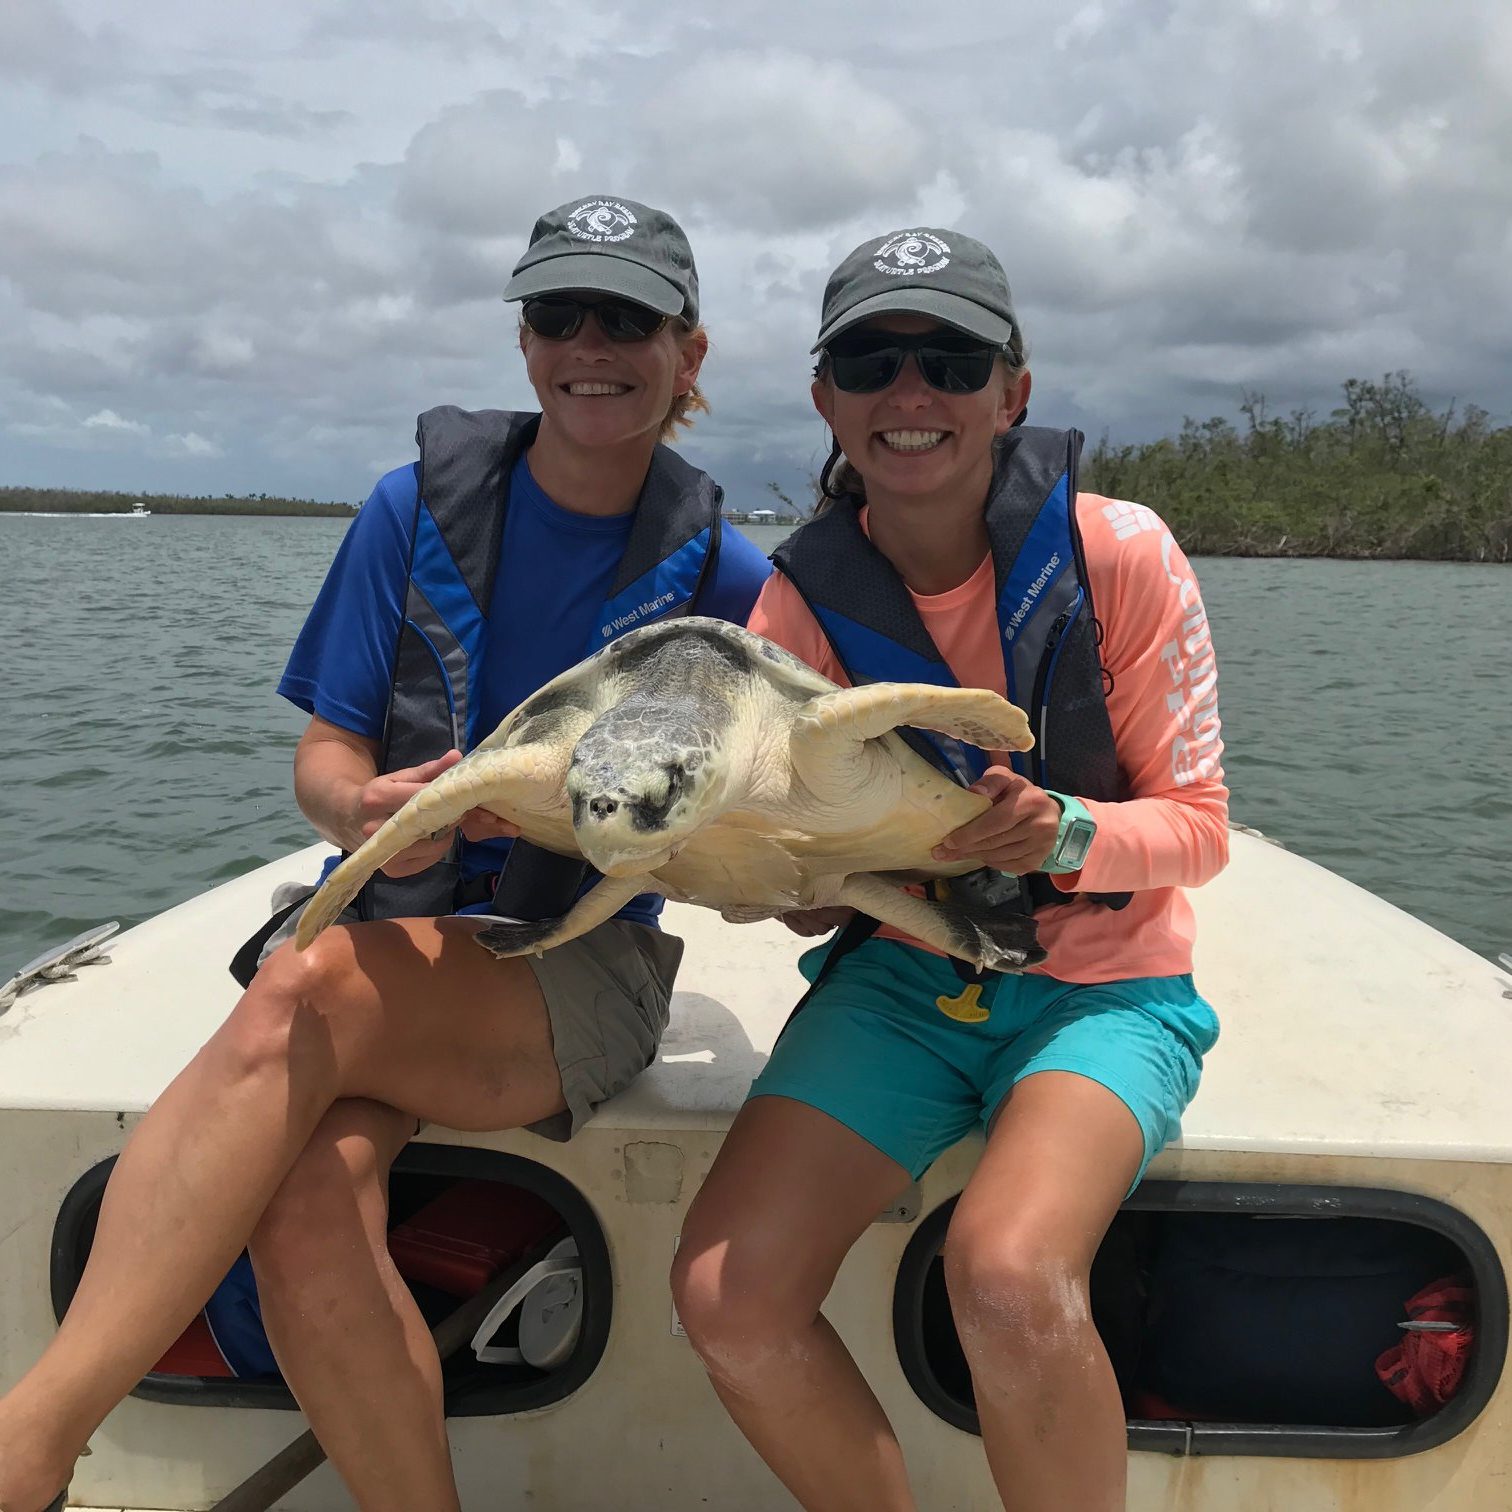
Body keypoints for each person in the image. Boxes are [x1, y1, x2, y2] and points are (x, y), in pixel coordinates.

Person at [0, 195, 771, 1512]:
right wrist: (364, 815)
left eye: (630, 317)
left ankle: (30, 1443)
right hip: (395, 922)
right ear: (525, 345)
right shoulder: (410, 512)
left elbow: (767, 841)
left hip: (575, 961)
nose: (594, 342)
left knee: (300, 987)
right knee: (308, 1199)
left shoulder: (733, 581)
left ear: (689, 354)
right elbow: (326, 762)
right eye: (561, 313)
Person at [670, 227, 1228, 1512]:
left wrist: (1067, 834)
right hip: (904, 979)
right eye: (870, 359)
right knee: (727, 1295)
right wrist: (768, 877)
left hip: (1106, 989)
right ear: (827, 401)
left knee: (1009, 1275)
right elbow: (800, 872)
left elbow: (1198, 825)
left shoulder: (1121, 557)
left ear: (1010, 392)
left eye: (950, 358)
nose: (909, 393)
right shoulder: (795, 611)